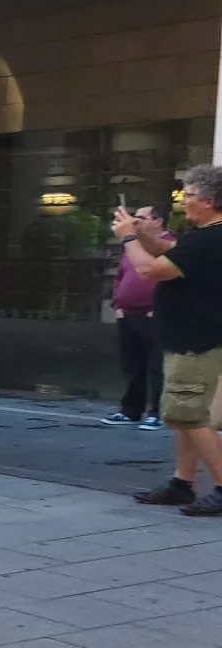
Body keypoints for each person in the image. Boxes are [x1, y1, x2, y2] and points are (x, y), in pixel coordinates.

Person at [116, 166, 222, 515]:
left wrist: (129, 238)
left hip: (196, 340)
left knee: (189, 413)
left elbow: (150, 270)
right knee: (183, 414)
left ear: (208, 202)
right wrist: (142, 233)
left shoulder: (209, 240)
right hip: (191, 337)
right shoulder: (205, 237)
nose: (182, 202)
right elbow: (168, 251)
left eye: (188, 196)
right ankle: (182, 482)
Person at [104, 203, 168, 429]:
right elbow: (120, 276)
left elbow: (168, 280)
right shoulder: (132, 246)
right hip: (128, 313)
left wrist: (159, 307)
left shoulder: (168, 246)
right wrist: (117, 305)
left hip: (154, 315)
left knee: (156, 366)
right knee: (132, 365)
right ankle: (131, 409)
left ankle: (156, 412)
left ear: (157, 221)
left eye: (140, 218)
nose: (135, 223)